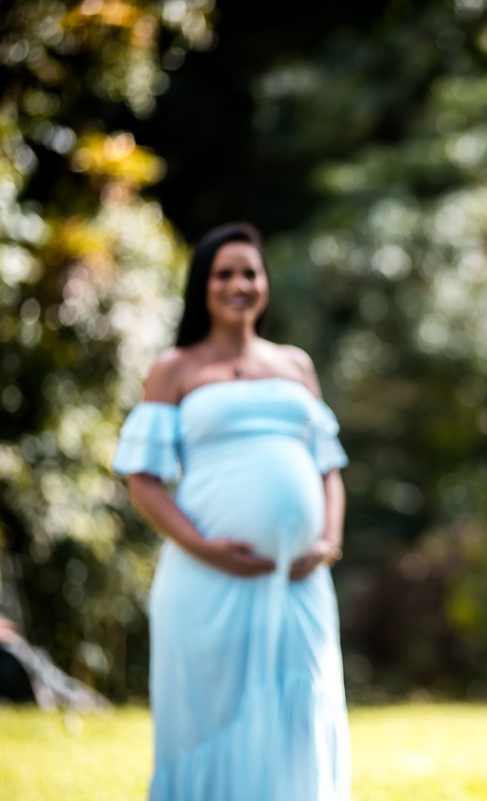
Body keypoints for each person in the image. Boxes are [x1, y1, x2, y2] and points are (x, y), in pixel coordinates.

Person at [112, 223, 350, 800]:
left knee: (302, 707)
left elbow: (328, 468)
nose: (239, 284)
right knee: (209, 718)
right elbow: (141, 479)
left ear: (264, 284)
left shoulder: (296, 366)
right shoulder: (174, 369)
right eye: (224, 273)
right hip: (205, 583)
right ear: (202, 286)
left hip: (300, 581)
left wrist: (326, 542)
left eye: (250, 272)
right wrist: (204, 547)